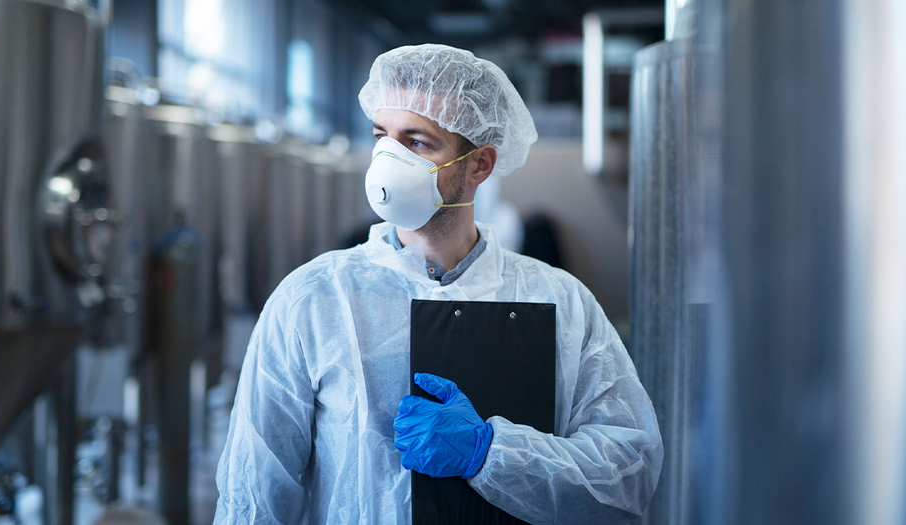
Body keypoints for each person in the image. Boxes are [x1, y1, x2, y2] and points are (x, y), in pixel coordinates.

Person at [214, 43, 663, 524]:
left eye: (417, 142)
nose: (388, 160)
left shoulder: (558, 300)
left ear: (479, 165)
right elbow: (254, 493)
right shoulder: (315, 298)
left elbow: (626, 475)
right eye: (381, 136)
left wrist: (491, 453)